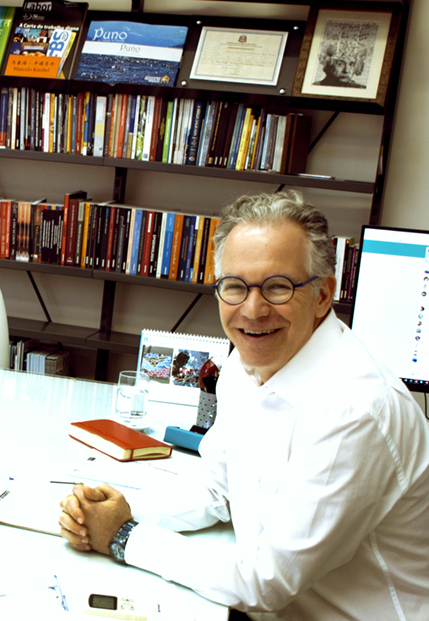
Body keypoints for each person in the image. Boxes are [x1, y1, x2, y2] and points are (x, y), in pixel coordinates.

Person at [59, 189, 429, 619]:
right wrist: (112, 509)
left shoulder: (355, 410)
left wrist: (125, 536)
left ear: (323, 295)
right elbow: (220, 488)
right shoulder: (245, 365)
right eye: (235, 287)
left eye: (278, 287)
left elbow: (267, 580)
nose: (252, 311)